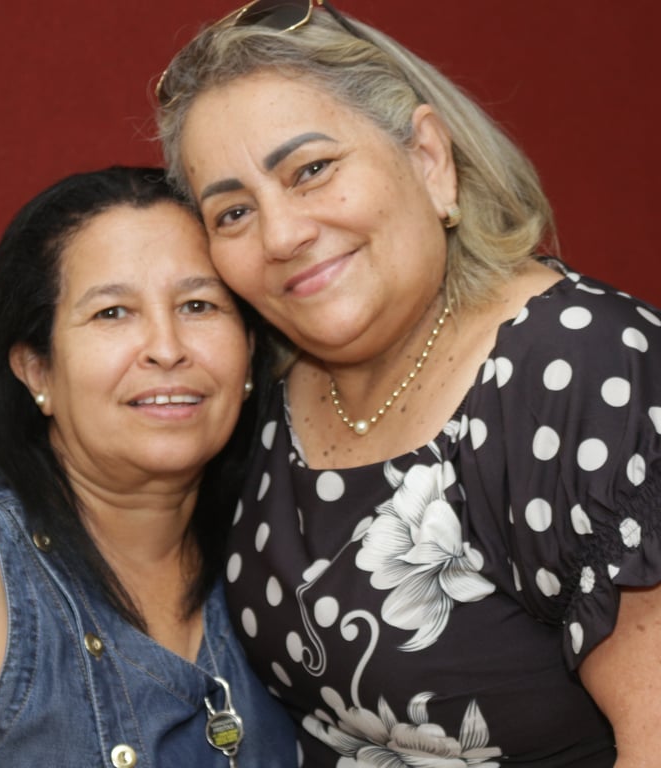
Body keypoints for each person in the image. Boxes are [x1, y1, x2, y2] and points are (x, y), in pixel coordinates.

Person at [154, 3, 661, 766]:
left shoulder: (586, 370)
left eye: (312, 170)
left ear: (427, 157)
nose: (281, 235)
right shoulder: (262, 388)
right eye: (232, 212)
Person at [0, 166, 298, 767]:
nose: (167, 348)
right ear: (37, 370)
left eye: (198, 305)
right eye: (112, 313)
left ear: (249, 353)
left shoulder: (278, 537)